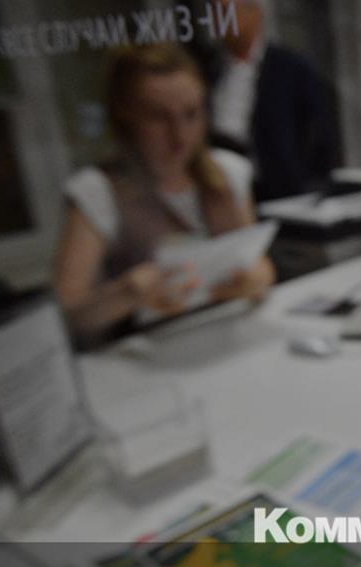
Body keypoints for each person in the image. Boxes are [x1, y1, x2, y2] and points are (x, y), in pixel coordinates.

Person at [54, 44, 275, 344]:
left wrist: (257, 278)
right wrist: (126, 294)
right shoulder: (97, 191)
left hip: (226, 341)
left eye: (191, 113)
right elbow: (64, 319)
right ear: (125, 116)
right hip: (144, 355)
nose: (179, 134)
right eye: (158, 117)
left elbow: (259, 266)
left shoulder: (228, 173)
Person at [208, 0, 340, 201]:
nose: (219, 21)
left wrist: (309, 188)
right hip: (223, 190)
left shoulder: (291, 69)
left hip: (282, 194)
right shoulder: (208, 68)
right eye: (214, 12)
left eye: (226, 12)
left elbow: (321, 136)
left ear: (255, 14)